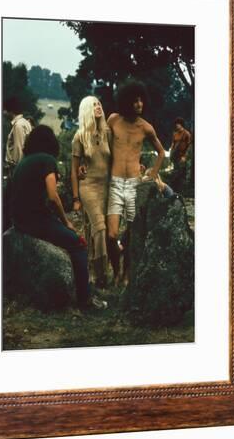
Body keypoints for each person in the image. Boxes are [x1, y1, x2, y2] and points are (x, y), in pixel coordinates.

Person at [11, 125, 106, 310]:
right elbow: (53, 196)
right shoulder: (47, 160)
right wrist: (66, 222)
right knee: (79, 244)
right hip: (35, 220)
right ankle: (85, 299)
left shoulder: (25, 161)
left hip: (20, 221)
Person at [106, 80, 165, 283]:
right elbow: (100, 146)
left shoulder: (146, 128)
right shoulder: (113, 120)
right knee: (112, 235)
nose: (139, 104)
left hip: (134, 184)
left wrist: (152, 174)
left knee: (132, 234)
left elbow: (161, 152)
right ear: (126, 101)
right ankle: (115, 270)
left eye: (141, 100)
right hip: (114, 183)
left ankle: (126, 273)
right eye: (135, 101)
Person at [71, 96, 111, 288]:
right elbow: (73, 170)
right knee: (100, 228)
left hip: (106, 187)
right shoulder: (79, 136)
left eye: (99, 103)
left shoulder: (107, 133)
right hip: (88, 187)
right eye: (94, 104)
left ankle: (97, 274)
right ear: (86, 109)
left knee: (98, 231)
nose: (98, 106)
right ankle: (100, 276)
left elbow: (117, 158)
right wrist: (75, 198)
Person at [3, 96, 32, 168]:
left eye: (4, 110)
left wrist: (17, 168)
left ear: (11, 111)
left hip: (16, 167)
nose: (3, 113)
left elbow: (19, 148)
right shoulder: (24, 122)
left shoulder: (18, 125)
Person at [169, 117, 192, 193]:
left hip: (182, 156)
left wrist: (185, 156)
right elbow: (173, 143)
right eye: (176, 124)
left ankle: (181, 192)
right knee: (175, 173)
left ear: (181, 125)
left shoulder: (186, 134)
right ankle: (174, 191)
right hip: (175, 156)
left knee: (181, 174)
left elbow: (189, 146)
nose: (176, 126)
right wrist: (171, 152)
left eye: (178, 124)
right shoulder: (175, 134)